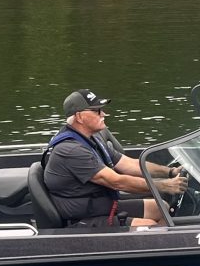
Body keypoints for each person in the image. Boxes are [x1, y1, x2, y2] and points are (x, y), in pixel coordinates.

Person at [42, 87, 186, 227]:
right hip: (83, 217)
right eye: (97, 111)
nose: (103, 114)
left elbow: (130, 164)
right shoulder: (71, 151)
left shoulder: (91, 139)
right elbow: (117, 182)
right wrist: (164, 185)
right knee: (149, 226)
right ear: (79, 117)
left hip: (101, 205)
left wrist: (170, 172)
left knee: (161, 208)